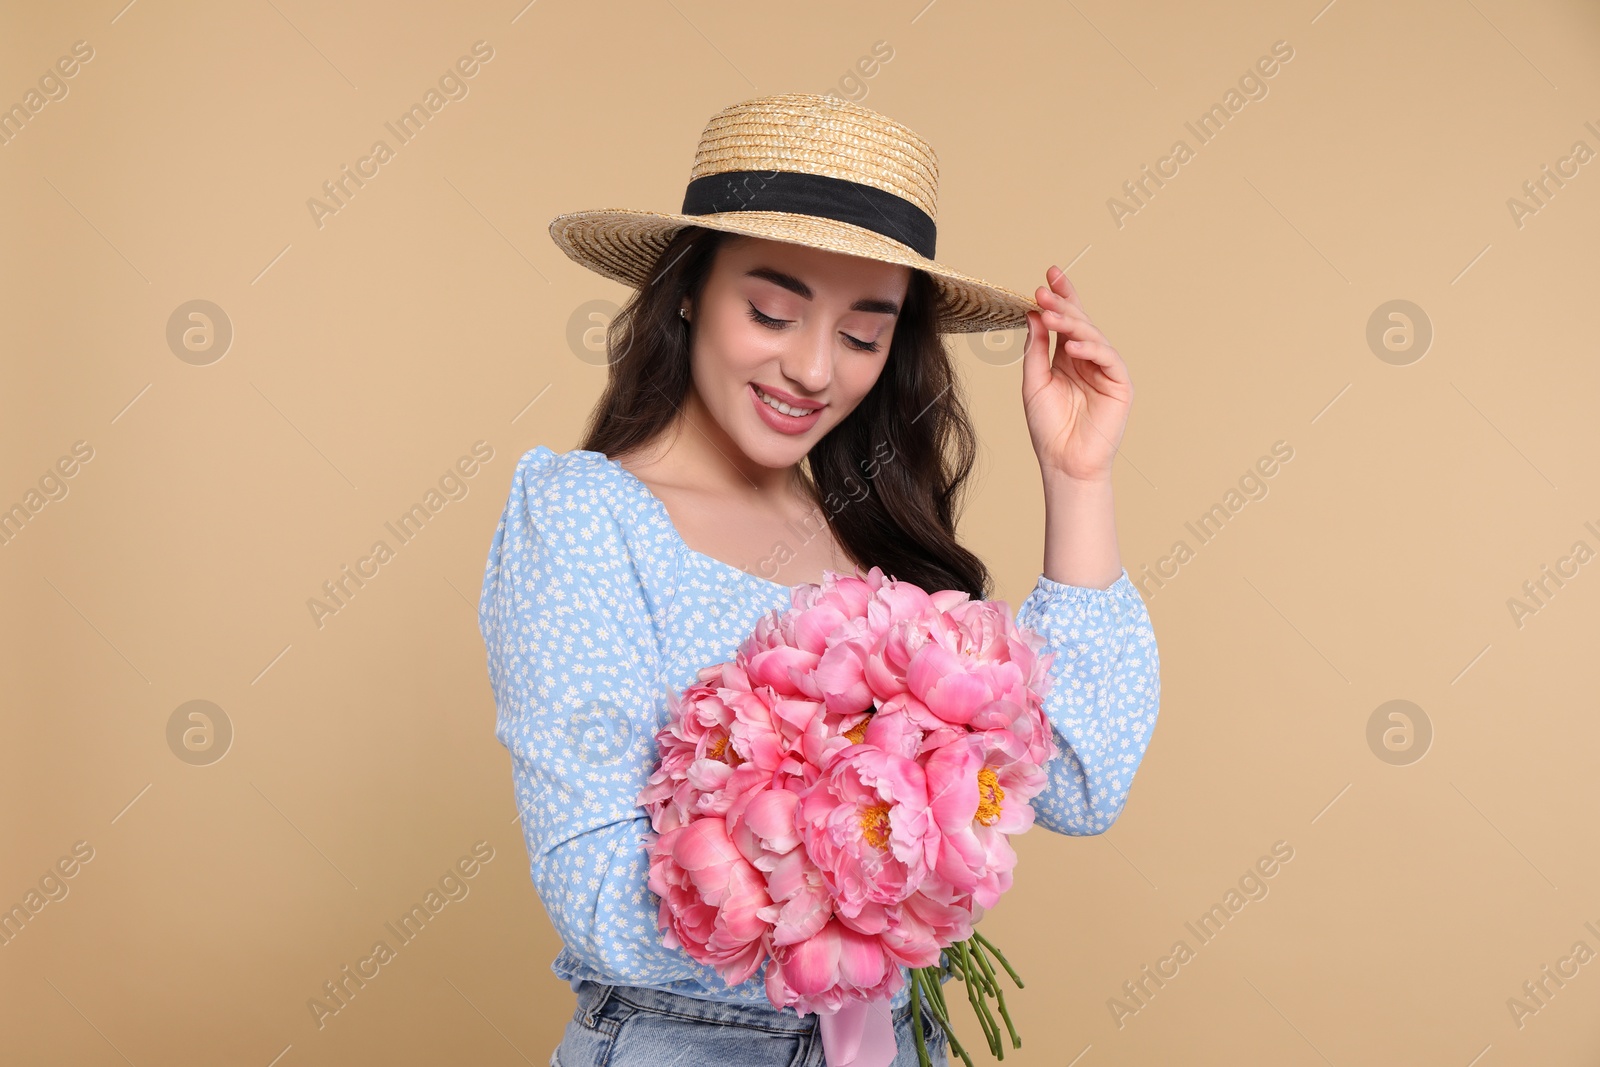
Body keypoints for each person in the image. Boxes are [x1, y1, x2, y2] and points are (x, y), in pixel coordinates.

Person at [477, 92, 1161, 1067]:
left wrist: (1078, 476)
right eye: (771, 309)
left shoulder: (872, 544)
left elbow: (1083, 782)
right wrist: (869, 867)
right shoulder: (586, 514)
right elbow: (598, 896)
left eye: (862, 332)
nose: (809, 367)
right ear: (685, 289)